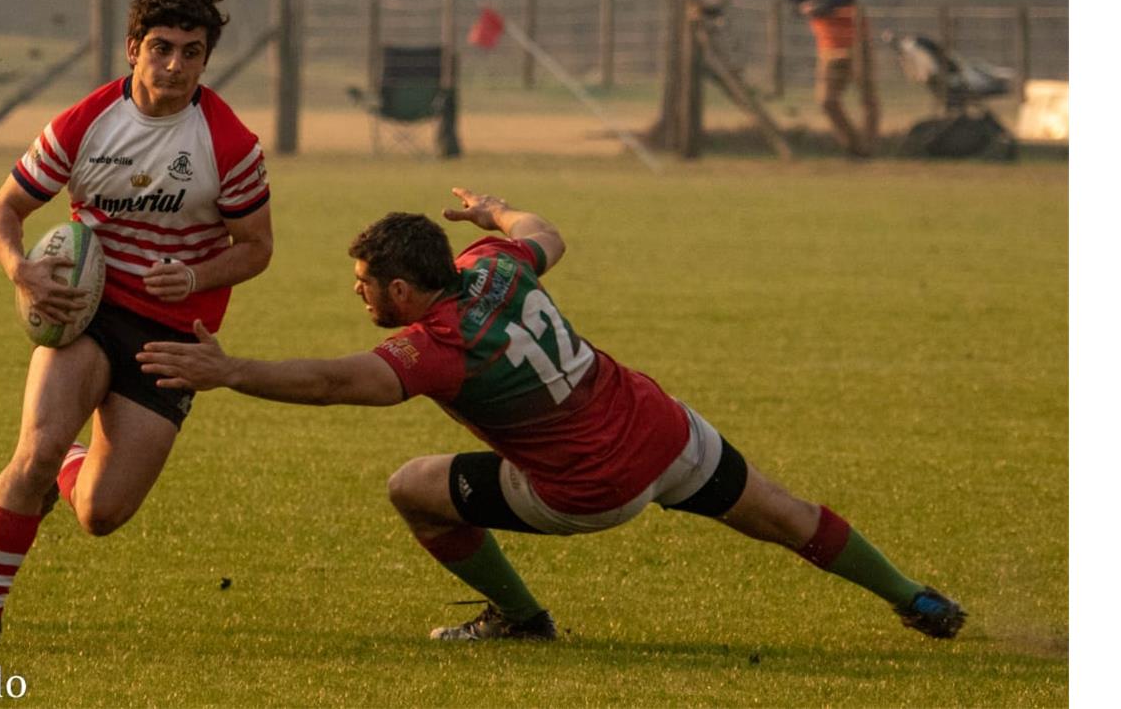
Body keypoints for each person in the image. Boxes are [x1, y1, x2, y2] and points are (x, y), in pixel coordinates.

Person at [137, 187, 966, 642]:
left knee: (411, 486)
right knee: (783, 513)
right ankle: (914, 596)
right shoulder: (493, 265)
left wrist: (228, 369)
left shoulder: (435, 347)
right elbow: (545, 230)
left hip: (590, 489)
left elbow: (331, 383)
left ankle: (521, 619)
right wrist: (493, 208)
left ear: (399, 289)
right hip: (661, 428)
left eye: (362, 285)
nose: (355, 296)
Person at [0, 0, 273, 651]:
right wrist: (21, 269)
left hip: (171, 333)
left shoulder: (231, 145)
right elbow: (3, 209)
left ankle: (68, 466)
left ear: (206, 60)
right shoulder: (86, 122)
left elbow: (256, 250)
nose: (175, 65)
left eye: (192, 52)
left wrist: (194, 273)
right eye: (161, 47)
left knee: (100, 513)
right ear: (132, 48)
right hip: (86, 310)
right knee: (32, 450)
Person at [789, 0, 879, 158]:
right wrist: (801, 8)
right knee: (826, 100)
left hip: (856, 42)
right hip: (828, 46)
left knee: (867, 97)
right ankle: (854, 146)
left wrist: (816, 8)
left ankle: (868, 148)